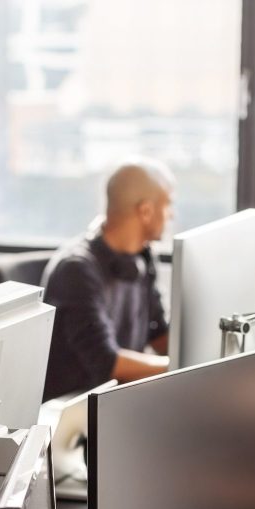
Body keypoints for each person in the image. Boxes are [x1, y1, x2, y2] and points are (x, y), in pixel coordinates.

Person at [40, 158, 174, 400]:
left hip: (121, 399)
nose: (171, 215)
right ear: (146, 211)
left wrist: (204, 353)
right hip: (77, 412)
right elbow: (107, 362)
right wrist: (176, 368)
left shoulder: (143, 257)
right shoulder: (77, 269)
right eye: (168, 205)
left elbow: (159, 333)